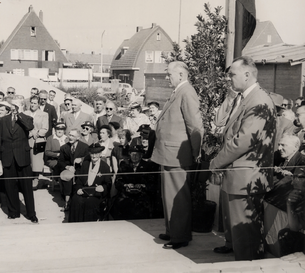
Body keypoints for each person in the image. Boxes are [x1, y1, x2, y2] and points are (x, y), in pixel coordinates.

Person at [210, 56, 276, 261]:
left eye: (233, 74)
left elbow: (242, 141)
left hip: (246, 177)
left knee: (246, 239)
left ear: (247, 75)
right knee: (241, 235)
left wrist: (216, 162)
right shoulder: (248, 98)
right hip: (241, 175)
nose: (229, 79)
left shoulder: (258, 100)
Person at [151, 61, 203, 250]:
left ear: (181, 75)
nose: (167, 77)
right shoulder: (180, 91)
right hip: (170, 153)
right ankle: (173, 230)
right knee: (169, 195)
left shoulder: (187, 92)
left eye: (169, 74)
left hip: (177, 154)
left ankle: (180, 236)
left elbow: (195, 126)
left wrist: (195, 152)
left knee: (177, 197)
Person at [0, 100, 38, 223]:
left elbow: (29, 127)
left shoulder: (27, 118)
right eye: (12, 105)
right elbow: (0, 141)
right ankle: (13, 212)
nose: (14, 107)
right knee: (10, 186)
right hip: (7, 157)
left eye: (16, 105)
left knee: (27, 188)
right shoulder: (3, 120)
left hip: (22, 157)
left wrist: (19, 114)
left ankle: (31, 213)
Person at [68, 143, 111, 222]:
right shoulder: (85, 164)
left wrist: (103, 188)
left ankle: (89, 228)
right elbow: (79, 180)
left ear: (100, 154)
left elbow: (108, 183)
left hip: (96, 193)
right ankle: (75, 226)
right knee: (75, 200)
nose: (94, 156)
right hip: (85, 191)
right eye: (92, 154)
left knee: (90, 203)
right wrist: (78, 189)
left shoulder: (105, 167)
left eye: (96, 154)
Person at [111, 145, 156, 220]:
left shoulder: (147, 166)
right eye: (132, 154)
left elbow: (152, 183)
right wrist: (125, 185)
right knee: (120, 202)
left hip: (142, 195)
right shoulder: (124, 164)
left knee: (143, 205)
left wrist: (143, 186)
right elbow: (118, 181)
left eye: (137, 155)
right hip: (126, 194)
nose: (134, 157)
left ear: (141, 155)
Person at [57, 128, 90, 212]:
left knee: (79, 179)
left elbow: (88, 158)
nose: (70, 137)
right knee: (67, 179)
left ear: (78, 137)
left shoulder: (85, 147)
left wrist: (81, 159)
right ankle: (67, 203)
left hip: (81, 170)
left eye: (72, 136)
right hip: (69, 170)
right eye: (69, 135)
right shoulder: (64, 147)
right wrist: (67, 167)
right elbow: (60, 161)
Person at [25, 95, 49, 189]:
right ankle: (27, 179)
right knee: (27, 161)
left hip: (38, 140)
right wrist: (30, 133)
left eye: (35, 103)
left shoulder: (44, 114)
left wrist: (35, 133)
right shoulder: (25, 113)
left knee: (36, 161)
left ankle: (36, 179)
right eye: (31, 102)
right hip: (27, 139)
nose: (33, 105)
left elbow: (45, 128)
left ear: (39, 104)